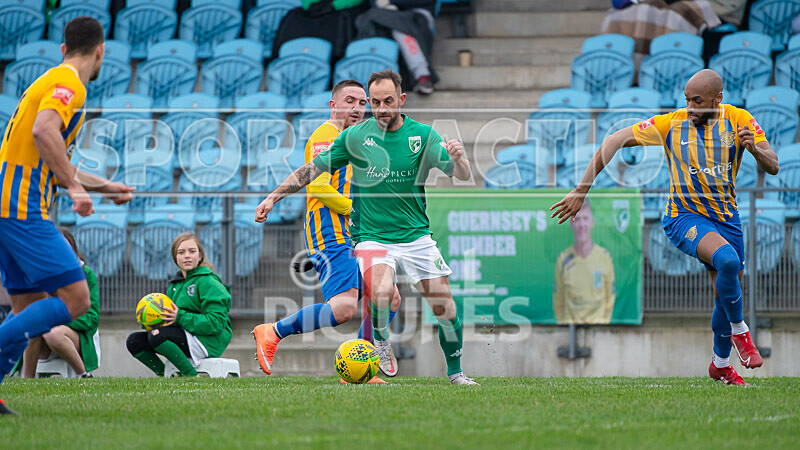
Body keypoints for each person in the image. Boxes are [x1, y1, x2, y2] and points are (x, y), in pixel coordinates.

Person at [550, 69, 779, 386]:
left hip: (727, 219)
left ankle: (720, 365)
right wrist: (581, 189)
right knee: (726, 261)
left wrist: (754, 149)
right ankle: (742, 332)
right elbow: (615, 139)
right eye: (686, 100)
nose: (690, 107)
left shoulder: (740, 120)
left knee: (726, 293)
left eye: (697, 101)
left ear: (718, 99)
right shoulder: (673, 123)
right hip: (683, 216)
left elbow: (774, 164)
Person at [255, 69, 478, 385]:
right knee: (377, 293)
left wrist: (460, 159)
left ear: (401, 99)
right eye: (374, 102)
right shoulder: (350, 136)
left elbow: (462, 175)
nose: (380, 108)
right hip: (365, 235)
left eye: (387, 101)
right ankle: (377, 345)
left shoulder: (422, 135)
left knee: (444, 306)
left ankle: (455, 373)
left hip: (415, 235)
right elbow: (311, 174)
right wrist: (273, 197)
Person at [0, 17, 135, 415]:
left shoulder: (45, 81)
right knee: (76, 299)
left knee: (26, 312)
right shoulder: (71, 83)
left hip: (7, 208)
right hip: (23, 209)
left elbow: (52, 152)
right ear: (100, 51)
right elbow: (45, 132)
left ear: (62, 48)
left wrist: (103, 186)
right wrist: (74, 189)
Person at [252, 80, 401, 382]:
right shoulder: (327, 133)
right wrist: (355, 209)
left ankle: (362, 365)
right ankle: (273, 331)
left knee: (388, 297)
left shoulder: (353, 140)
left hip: (355, 233)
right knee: (345, 308)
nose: (358, 109)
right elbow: (318, 185)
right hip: (329, 230)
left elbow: (305, 171)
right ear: (333, 105)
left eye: (363, 103)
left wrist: (272, 196)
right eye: (351, 101)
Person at [126, 233, 232, 377]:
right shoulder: (175, 285)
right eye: (181, 252)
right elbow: (172, 320)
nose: (187, 256)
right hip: (186, 335)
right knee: (134, 341)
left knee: (157, 336)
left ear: (200, 256)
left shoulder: (210, 282)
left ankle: (190, 376)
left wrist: (180, 316)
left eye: (192, 251)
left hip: (207, 341)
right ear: (175, 258)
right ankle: (168, 376)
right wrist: (152, 322)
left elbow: (216, 323)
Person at [22, 227, 100, 379]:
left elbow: (93, 318)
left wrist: (60, 319)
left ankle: (83, 374)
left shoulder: (86, 274)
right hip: (42, 339)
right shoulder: (39, 274)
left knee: (53, 333)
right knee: (34, 327)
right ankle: (27, 380)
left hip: (77, 336)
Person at [553, 199, 615, 324]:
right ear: (571, 223)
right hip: (570, 331)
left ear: (592, 222)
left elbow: (610, 298)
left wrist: (604, 324)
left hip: (599, 330)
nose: (582, 225)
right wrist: (563, 325)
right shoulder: (563, 259)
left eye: (585, 219)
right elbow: (558, 300)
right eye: (577, 219)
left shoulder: (604, 257)